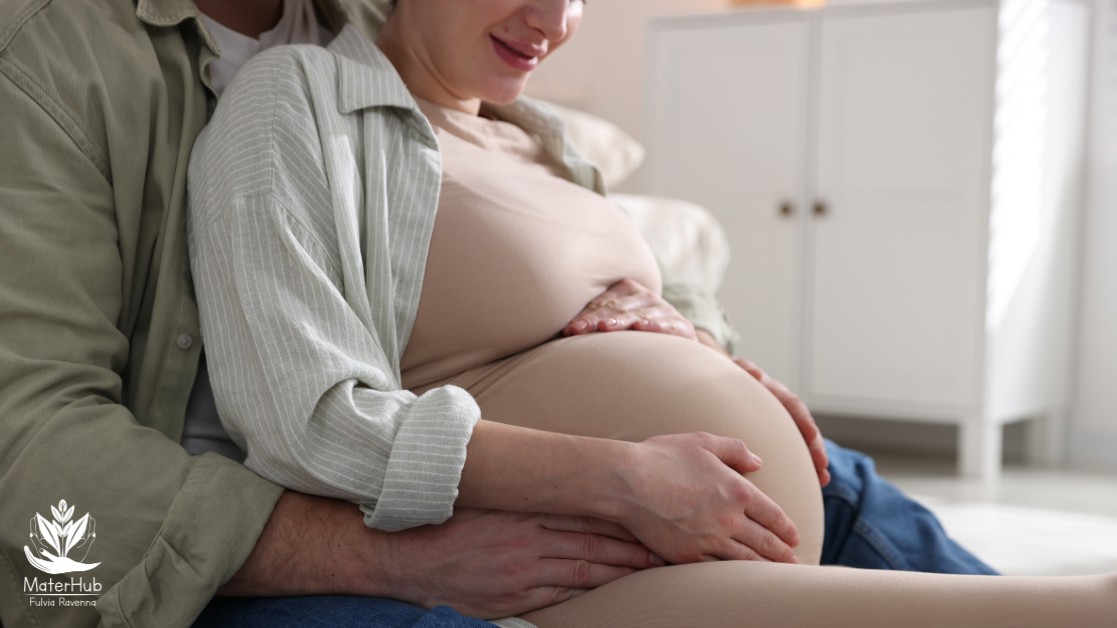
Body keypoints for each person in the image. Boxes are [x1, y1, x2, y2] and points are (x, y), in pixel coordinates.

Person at [0, 0, 1014, 627]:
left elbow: (562, 215)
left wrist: (676, 322)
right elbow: (37, 441)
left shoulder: (382, 35)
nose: (557, 18)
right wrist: (390, 555)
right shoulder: (72, 59)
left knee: (865, 500)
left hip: (678, 486)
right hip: (243, 545)